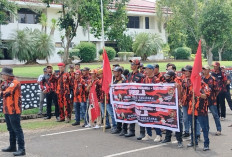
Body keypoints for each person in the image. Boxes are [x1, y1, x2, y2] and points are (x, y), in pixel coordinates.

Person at [0, 67, 26, 156]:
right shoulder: (5, 83)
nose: (2, 75)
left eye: (3, 74)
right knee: (10, 129)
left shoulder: (14, 83)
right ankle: (12, 146)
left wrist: (1, 91)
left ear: (8, 75)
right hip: (7, 109)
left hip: (14, 110)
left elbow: (6, 93)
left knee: (17, 129)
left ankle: (22, 149)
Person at [161, 70, 183, 148]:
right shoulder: (164, 84)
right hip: (167, 106)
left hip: (175, 106)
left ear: (172, 77)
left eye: (168, 76)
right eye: (165, 76)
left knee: (177, 123)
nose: (166, 78)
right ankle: (167, 138)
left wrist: (177, 88)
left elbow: (180, 96)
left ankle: (179, 140)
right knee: (167, 121)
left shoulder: (176, 85)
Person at [187, 78, 210, 151]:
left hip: (201, 110)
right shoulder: (191, 85)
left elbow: (206, 96)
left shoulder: (204, 85)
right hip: (192, 109)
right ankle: (193, 141)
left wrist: (198, 93)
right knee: (193, 126)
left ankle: (206, 144)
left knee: (204, 128)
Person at [141, 64, 163, 142]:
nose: (145, 71)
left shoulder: (156, 80)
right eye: (145, 69)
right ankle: (149, 134)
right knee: (147, 118)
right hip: (146, 101)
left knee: (155, 118)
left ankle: (158, 134)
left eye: (147, 69)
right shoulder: (144, 80)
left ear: (151, 70)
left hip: (154, 102)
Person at [124, 59, 145, 140]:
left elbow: (143, 87)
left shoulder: (141, 75)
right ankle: (131, 131)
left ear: (137, 65)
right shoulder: (129, 75)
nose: (131, 65)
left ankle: (142, 133)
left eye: (133, 64)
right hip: (130, 98)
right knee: (131, 113)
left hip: (139, 98)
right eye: (131, 64)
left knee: (140, 115)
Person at [202, 65, 221, 135]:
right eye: (203, 69)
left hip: (212, 100)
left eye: (206, 69)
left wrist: (214, 96)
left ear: (209, 70)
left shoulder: (213, 79)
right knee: (204, 115)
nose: (204, 71)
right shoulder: (202, 79)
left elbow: (217, 89)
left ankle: (219, 129)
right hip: (203, 100)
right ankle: (206, 128)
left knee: (215, 115)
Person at [111, 67, 128, 135]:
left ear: (120, 72)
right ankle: (118, 128)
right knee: (117, 114)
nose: (114, 73)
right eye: (114, 71)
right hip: (116, 100)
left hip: (122, 100)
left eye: (116, 71)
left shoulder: (123, 80)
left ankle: (124, 129)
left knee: (124, 115)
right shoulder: (113, 79)